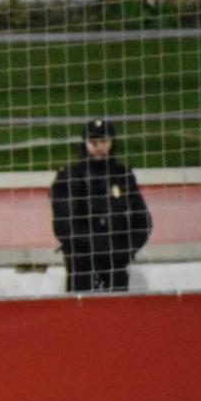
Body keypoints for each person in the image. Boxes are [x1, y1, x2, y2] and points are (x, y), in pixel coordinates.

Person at [50, 119, 152, 292]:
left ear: (112, 142)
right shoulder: (70, 176)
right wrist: (95, 246)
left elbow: (142, 220)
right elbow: (62, 223)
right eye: (93, 142)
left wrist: (127, 249)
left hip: (116, 260)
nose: (98, 147)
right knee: (81, 314)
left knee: (116, 312)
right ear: (85, 143)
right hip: (81, 263)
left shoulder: (123, 175)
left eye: (103, 141)